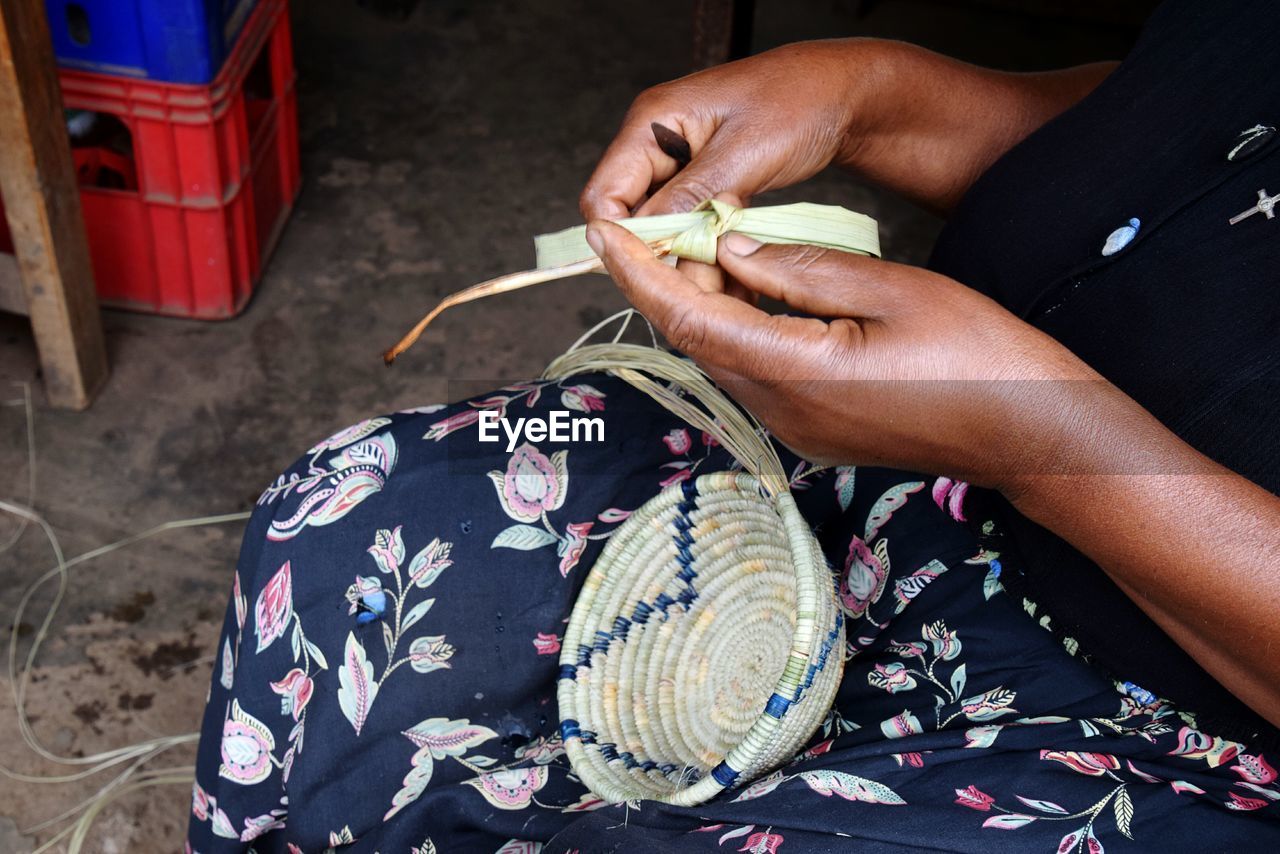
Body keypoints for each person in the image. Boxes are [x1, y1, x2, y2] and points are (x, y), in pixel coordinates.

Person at [188, 1, 1280, 850]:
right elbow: (1181, 137)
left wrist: (1036, 437)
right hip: (909, 468)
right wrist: (871, 93)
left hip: (1183, 706)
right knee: (350, 518)